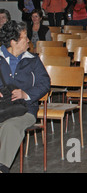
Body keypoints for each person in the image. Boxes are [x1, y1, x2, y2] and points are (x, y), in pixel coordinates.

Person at [0, 20, 50, 173]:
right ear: (13, 41)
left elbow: (45, 83)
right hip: (3, 108)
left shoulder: (33, 60)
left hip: (26, 109)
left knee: (10, 126)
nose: (29, 40)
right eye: (25, 37)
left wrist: (26, 94)